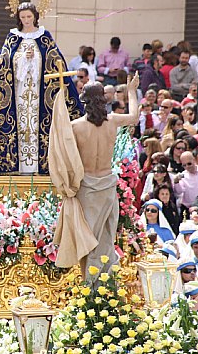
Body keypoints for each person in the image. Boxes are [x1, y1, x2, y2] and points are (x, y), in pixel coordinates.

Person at [0, 2, 83, 178]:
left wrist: (35, 59)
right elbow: (3, 66)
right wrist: (22, 58)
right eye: (23, 17)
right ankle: (18, 166)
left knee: (39, 127)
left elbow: (55, 63)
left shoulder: (44, 37)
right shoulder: (12, 38)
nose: (26, 20)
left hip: (39, 93)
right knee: (21, 126)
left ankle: (40, 166)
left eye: (29, 16)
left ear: (35, 16)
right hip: (18, 93)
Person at [49, 72, 139, 280]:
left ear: (84, 102)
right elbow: (134, 117)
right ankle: (101, 286)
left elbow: (63, 154)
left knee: (88, 239)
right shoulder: (113, 121)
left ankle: (91, 287)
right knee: (104, 239)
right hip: (106, 186)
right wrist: (132, 91)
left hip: (87, 189)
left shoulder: (75, 127)